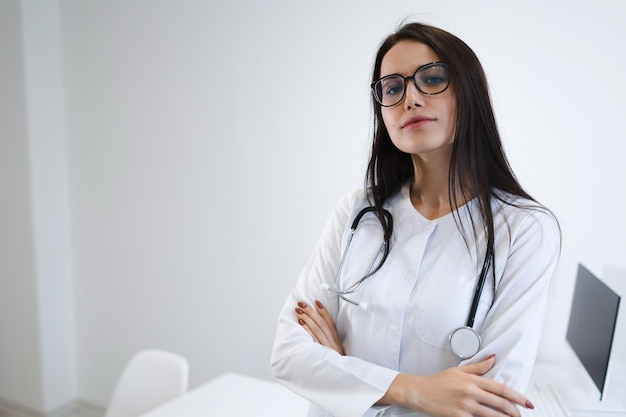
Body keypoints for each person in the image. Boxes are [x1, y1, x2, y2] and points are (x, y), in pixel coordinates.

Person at [270, 21, 560, 417]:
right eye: (393, 88)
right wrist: (415, 392)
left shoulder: (525, 230)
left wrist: (346, 374)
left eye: (433, 79)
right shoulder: (355, 214)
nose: (411, 98)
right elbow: (288, 354)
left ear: (468, 93)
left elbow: (491, 405)